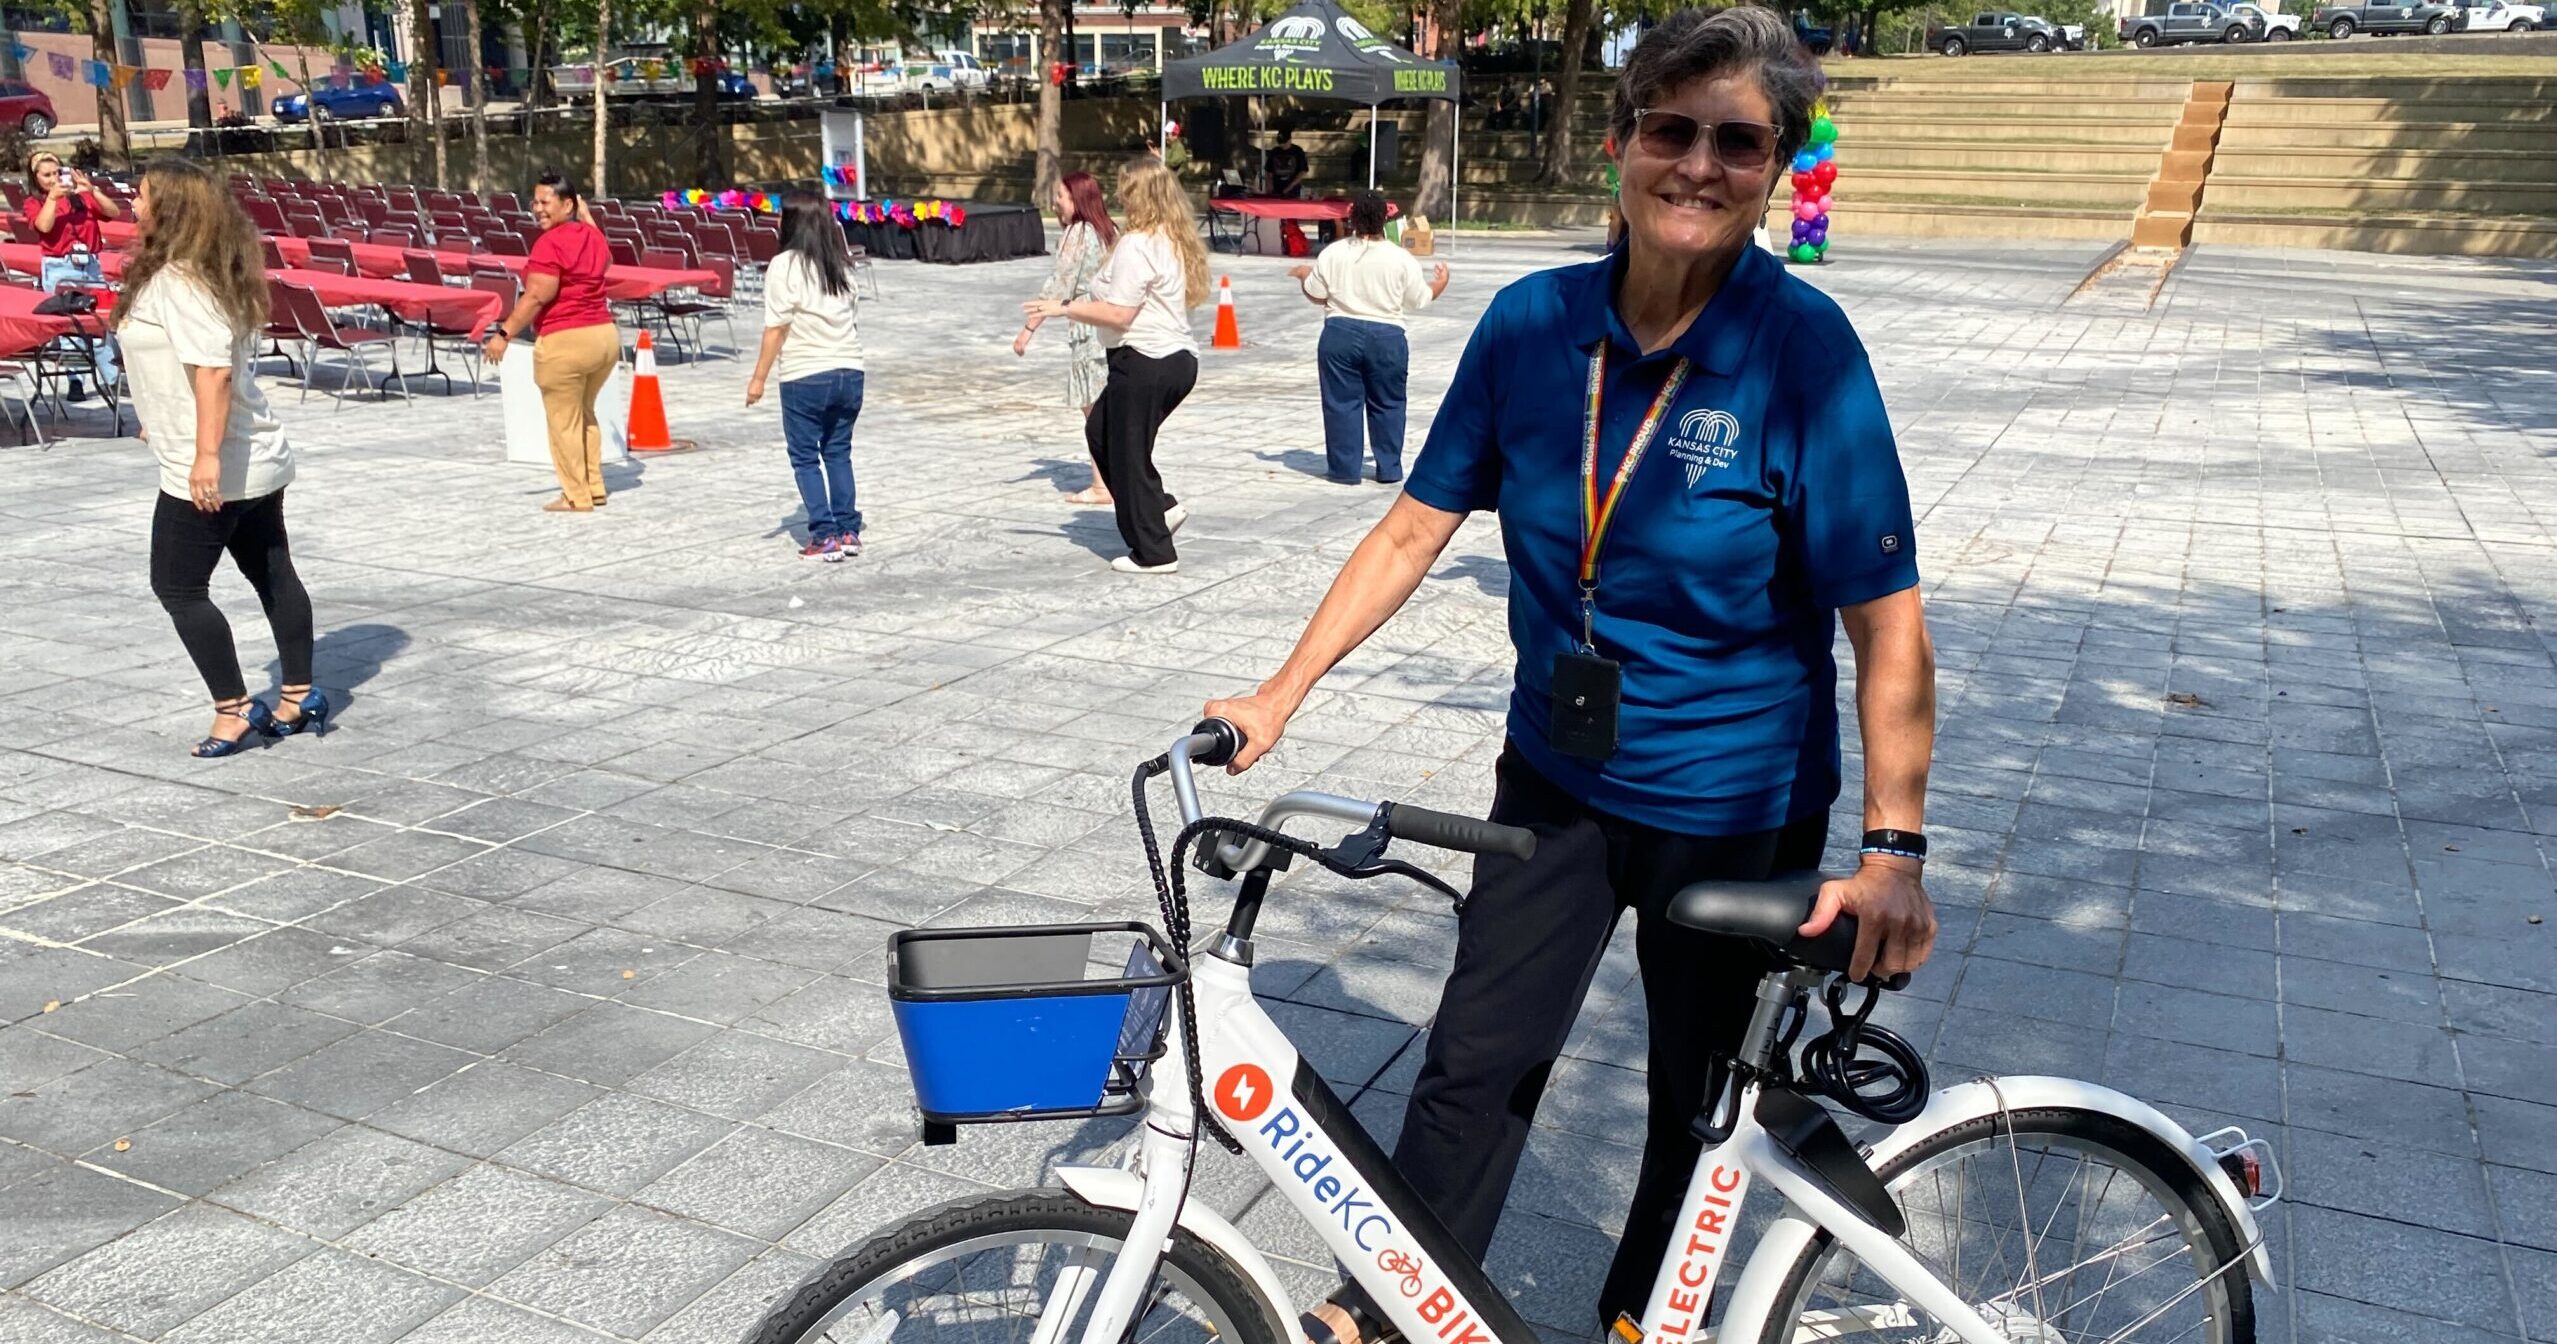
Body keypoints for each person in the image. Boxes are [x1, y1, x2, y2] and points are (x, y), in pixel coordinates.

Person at [1202, 9, 1938, 1340]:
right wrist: (1277, 693)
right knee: (1473, 1062)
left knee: (1692, 1101)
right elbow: (1412, 527)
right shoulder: (1532, 326)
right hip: (1553, 778)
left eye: (1738, 143)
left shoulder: (1803, 352)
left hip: (1734, 804)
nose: (1698, 165)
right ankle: (1395, 1304)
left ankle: (1641, 1321)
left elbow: (1886, 622)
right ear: (1620, 143)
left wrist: (1892, 851)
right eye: (1672, 130)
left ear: (1774, 170)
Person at [117, 159, 324, 758]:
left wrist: (204, 456)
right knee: (271, 572)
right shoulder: (198, 272)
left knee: (177, 586)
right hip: (250, 456)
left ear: (171, 209)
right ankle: (298, 696)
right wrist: (158, 416)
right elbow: (182, 364)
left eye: (142, 196)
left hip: (217, 465)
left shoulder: (180, 280)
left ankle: (233, 710)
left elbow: (213, 372)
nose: (134, 205)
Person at [1022, 157, 1207, 576]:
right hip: (1171, 360)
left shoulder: (1138, 244)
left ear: (1138, 194)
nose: (1119, 195)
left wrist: (1063, 307)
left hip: (1146, 360)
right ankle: (1161, 509)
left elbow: (1120, 314)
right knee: (1102, 432)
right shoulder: (1168, 238)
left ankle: (1154, 552)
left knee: (1126, 453)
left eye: (1126, 188)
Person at [1290, 189, 1449, 486]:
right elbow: (1420, 299)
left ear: (1351, 219)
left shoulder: (1334, 253)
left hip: (1340, 332)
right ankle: (1388, 468)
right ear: (1385, 220)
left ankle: (1344, 470)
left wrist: (1302, 276)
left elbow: (1316, 294)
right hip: (1387, 335)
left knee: (1341, 403)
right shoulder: (1401, 258)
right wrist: (1442, 282)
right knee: (1388, 403)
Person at [482, 171, 618, 513]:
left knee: (564, 422)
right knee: (585, 414)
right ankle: (594, 487)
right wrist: (586, 216)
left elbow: (537, 296)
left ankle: (576, 496)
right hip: (603, 338)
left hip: (565, 342)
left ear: (567, 205)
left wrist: (503, 334)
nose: (538, 209)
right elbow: (606, 259)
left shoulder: (549, 243)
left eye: (545, 202)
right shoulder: (592, 236)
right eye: (535, 202)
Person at [746, 189, 868, 561]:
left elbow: (776, 328)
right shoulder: (840, 266)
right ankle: (848, 529)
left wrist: (758, 379)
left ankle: (824, 534)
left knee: (804, 457)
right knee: (838, 451)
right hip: (850, 370)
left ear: (792, 223)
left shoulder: (784, 266)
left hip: (806, 373)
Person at [1015, 170, 1118, 506]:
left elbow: (1059, 285)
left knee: (1093, 412)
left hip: (1086, 326)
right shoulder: (1109, 230)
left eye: (1061, 196)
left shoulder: (1079, 232)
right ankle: (1116, 479)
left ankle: (1102, 485)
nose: (1056, 202)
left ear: (1077, 199)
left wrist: (1028, 329)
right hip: (1110, 324)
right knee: (1109, 409)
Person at [29, 150, 125, 401]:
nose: (53, 179)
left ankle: (112, 378)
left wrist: (92, 190)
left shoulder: (81, 198)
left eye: (57, 173)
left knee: (99, 321)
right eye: (46, 175)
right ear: (36, 178)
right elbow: (43, 226)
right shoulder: (35, 202)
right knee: (70, 325)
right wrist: (53, 198)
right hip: (60, 266)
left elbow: (113, 212)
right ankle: (76, 380)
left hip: (90, 264)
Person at [1266, 126, 1310, 198]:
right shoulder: (1275, 151)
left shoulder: (1297, 151)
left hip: (1292, 190)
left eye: (1284, 143)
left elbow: (1303, 171)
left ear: (1289, 140)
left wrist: (1290, 187)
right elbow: (1269, 170)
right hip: (1276, 188)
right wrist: (1269, 184)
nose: (1282, 145)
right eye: (1280, 143)